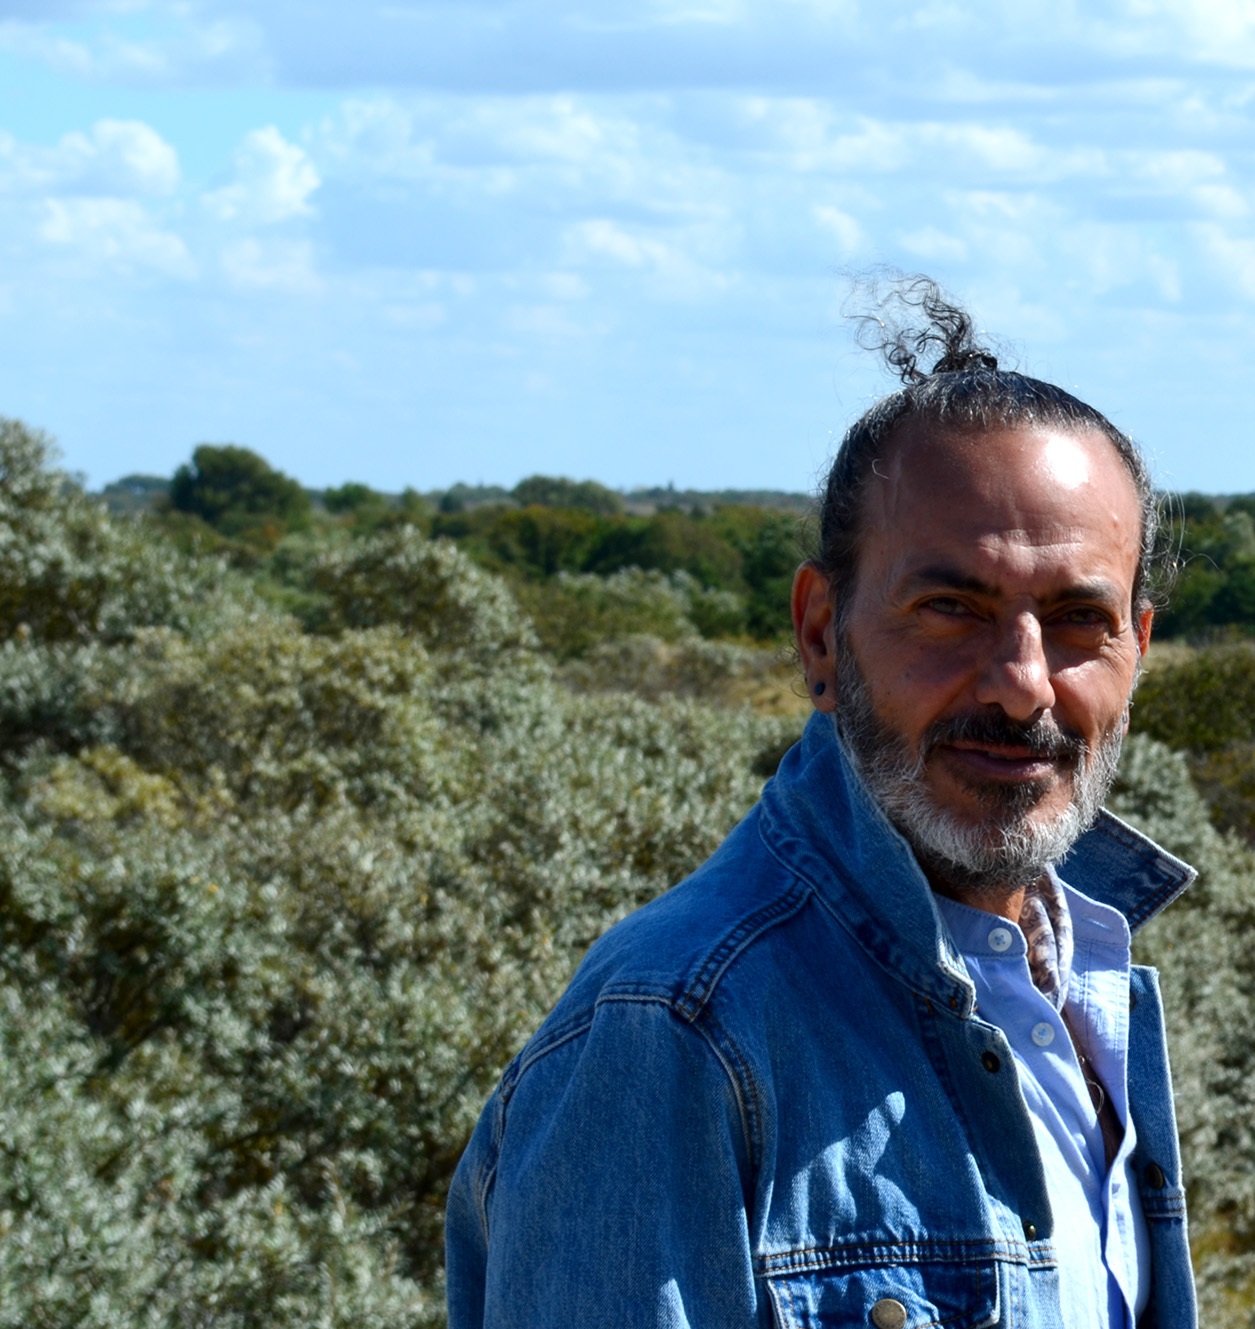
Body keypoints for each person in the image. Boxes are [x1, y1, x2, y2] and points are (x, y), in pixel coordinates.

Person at [445, 278, 1197, 1329]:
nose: (1022, 683)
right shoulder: (675, 1034)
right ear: (818, 632)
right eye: (951, 609)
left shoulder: (1085, 988)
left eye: (1077, 621)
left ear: (1139, 649)